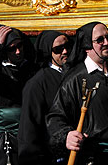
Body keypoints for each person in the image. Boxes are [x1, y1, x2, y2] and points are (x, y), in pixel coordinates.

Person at [47, 21, 108, 165]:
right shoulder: (75, 79)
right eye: (99, 40)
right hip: (94, 156)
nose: (106, 42)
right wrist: (67, 135)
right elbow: (56, 117)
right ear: (87, 46)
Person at [18, 30, 71, 165]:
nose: (65, 51)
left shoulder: (74, 74)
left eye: (67, 47)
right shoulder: (37, 83)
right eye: (58, 49)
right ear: (48, 52)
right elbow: (29, 126)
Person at [0, 24, 35, 165]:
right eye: (12, 49)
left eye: (20, 46)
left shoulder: (30, 68)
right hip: (5, 130)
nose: (18, 52)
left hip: (28, 127)